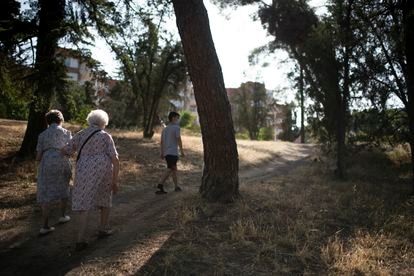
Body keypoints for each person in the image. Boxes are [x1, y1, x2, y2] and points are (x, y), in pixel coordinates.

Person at [62, 109, 119, 251]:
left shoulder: (81, 134)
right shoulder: (105, 136)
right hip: (103, 169)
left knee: (84, 202)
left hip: (82, 170)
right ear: (103, 122)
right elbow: (115, 158)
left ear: (90, 121)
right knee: (105, 197)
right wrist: (115, 180)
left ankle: (80, 239)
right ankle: (103, 229)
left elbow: (66, 150)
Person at [36, 110, 72, 235]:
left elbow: (38, 157)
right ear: (60, 120)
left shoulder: (42, 135)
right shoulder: (67, 133)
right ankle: (62, 216)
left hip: (46, 163)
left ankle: (45, 226)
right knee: (64, 187)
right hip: (62, 162)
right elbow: (70, 151)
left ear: (47, 121)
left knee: (46, 192)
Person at [156, 111, 185, 194]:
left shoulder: (165, 129)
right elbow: (179, 139)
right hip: (173, 152)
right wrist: (182, 151)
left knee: (173, 169)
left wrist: (162, 153)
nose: (178, 120)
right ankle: (160, 184)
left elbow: (162, 142)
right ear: (173, 118)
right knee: (170, 169)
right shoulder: (176, 127)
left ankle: (176, 186)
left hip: (167, 152)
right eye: (177, 118)